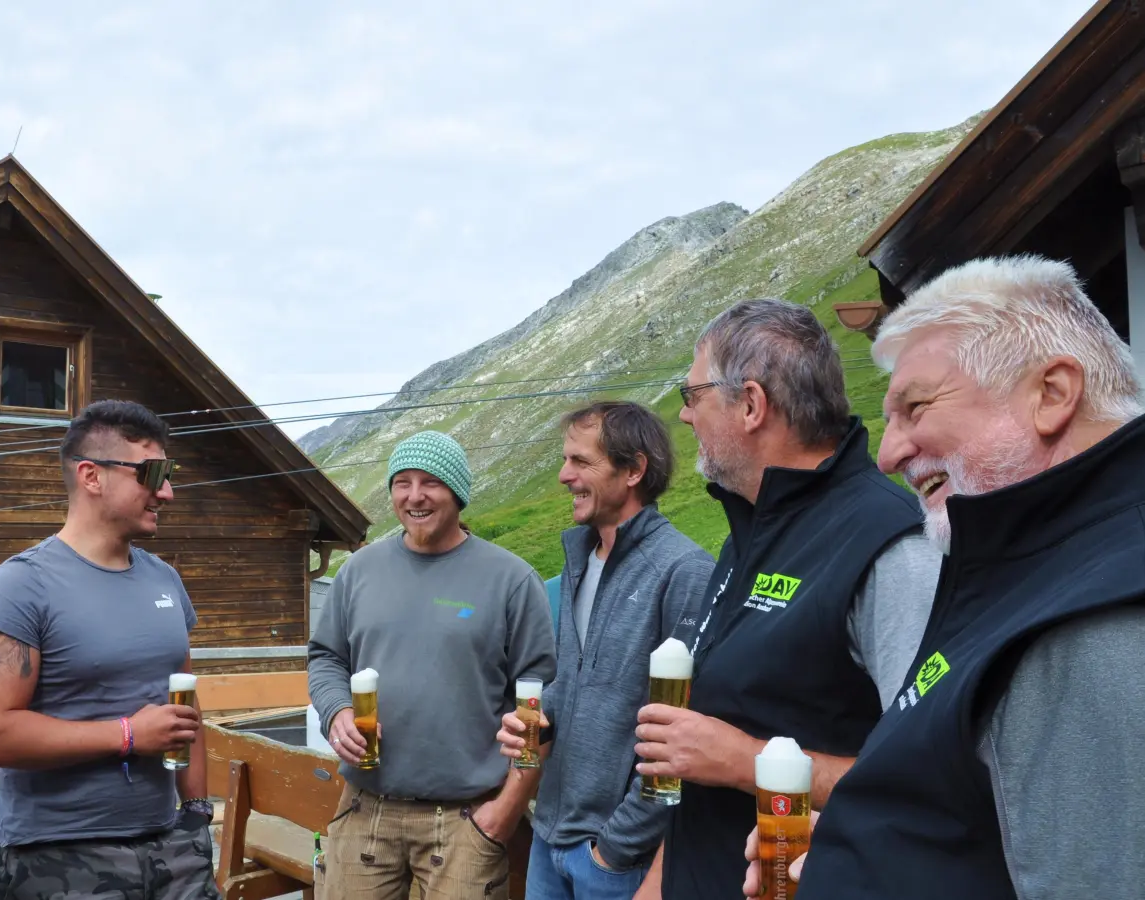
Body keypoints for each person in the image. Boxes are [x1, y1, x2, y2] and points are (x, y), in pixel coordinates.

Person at [743, 256, 1145, 898]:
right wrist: (862, 846)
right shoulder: (1038, 567)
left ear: (1053, 393)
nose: (889, 451)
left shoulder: (1112, 618)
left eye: (915, 407)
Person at [631, 298, 940, 898]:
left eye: (693, 396)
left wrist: (747, 762)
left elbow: (929, 778)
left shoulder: (890, 543)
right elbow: (703, 745)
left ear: (750, 404)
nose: (684, 416)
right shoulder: (749, 529)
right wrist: (657, 882)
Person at [0, 399, 217, 900]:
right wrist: (127, 735)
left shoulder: (164, 579)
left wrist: (197, 818)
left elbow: (187, 710)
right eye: (152, 473)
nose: (166, 492)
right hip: (57, 858)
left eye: (168, 474)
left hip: (172, 850)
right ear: (91, 476)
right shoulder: (20, 585)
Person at [308, 430, 557, 899]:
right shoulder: (358, 572)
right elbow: (326, 658)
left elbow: (541, 698)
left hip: (467, 819)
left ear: (458, 494)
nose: (415, 496)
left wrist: (506, 810)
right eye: (402, 482)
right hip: (365, 809)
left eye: (431, 483)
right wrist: (336, 710)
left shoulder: (511, 579)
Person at [495, 402, 713, 899]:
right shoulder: (579, 561)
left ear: (634, 469)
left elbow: (686, 726)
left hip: (616, 859)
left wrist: (616, 847)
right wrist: (536, 715)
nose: (562, 475)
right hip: (550, 839)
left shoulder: (684, 570)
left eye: (580, 462)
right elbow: (578, 683)